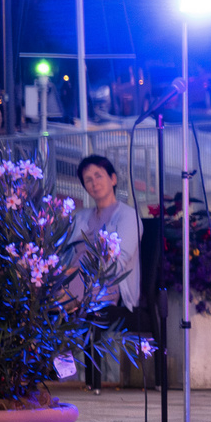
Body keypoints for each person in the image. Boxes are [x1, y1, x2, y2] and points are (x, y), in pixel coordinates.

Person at [72, 155, 141, 389]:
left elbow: (118, 264)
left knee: (50, 296)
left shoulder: (128, 216)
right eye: (87, 179)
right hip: (78, 281)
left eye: (98, 176)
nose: (93, 183)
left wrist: (83, 268)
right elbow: (67, 254)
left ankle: (60, 304)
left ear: (113, 179)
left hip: (111, 287)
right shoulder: (81, 217)